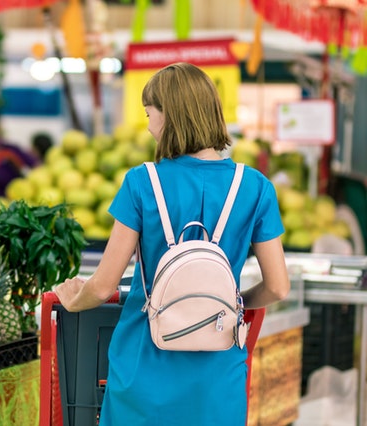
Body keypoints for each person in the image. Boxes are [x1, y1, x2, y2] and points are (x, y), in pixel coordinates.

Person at [53, 62, 290, 425]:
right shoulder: (256, 187)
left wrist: (73, 301)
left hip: (143, 369)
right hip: (218, 370)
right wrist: (233, 305)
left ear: (171, 116)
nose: (148, 126)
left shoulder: (141, 182)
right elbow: (277, 287)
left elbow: (102, 286)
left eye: (150, 114)